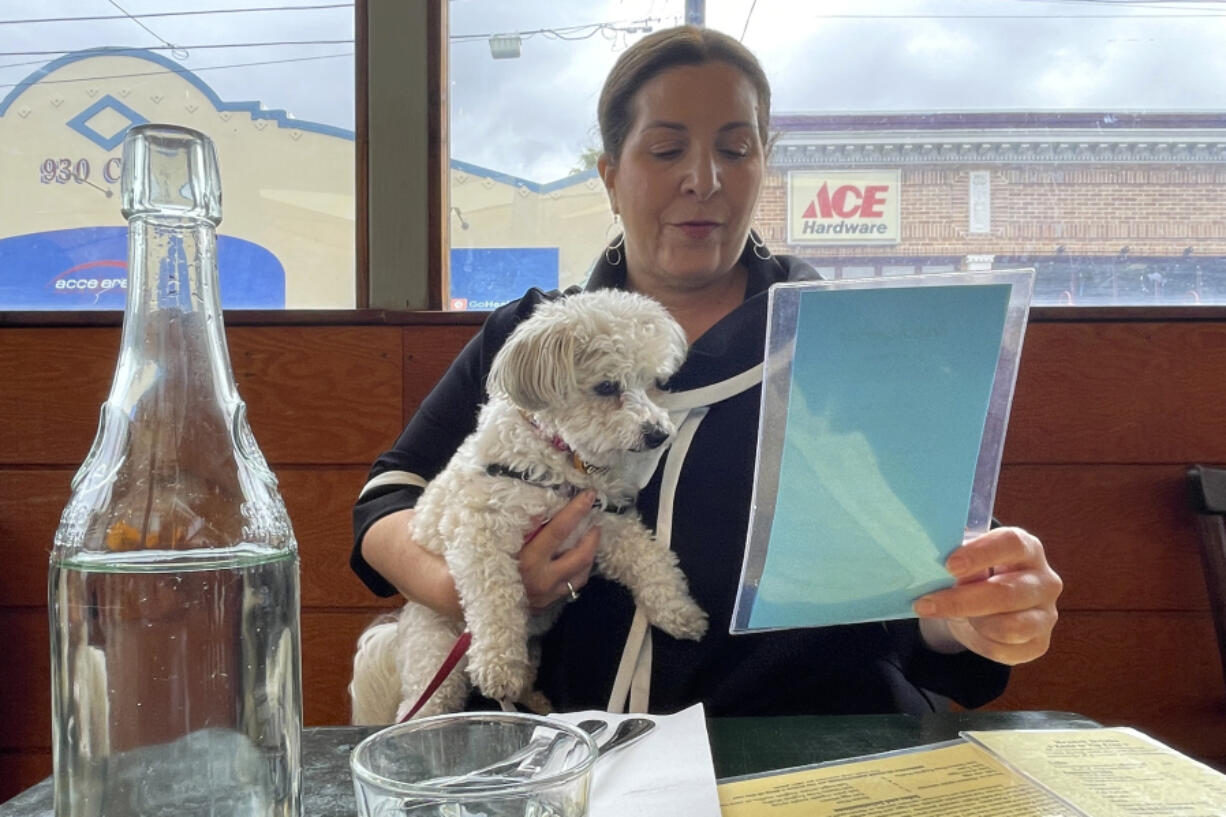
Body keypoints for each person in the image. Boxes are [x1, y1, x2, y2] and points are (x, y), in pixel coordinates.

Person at [351, 25, 1062, 717]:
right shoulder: (535, 340)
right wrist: (461, 586)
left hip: (797, 744)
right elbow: (389, 497)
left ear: (764, 162)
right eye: (665, 150)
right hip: (562, 746)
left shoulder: (849, 340)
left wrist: (988, 610)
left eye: (736, 147)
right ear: (609, 174)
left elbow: (932, 587)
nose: (704, 180)